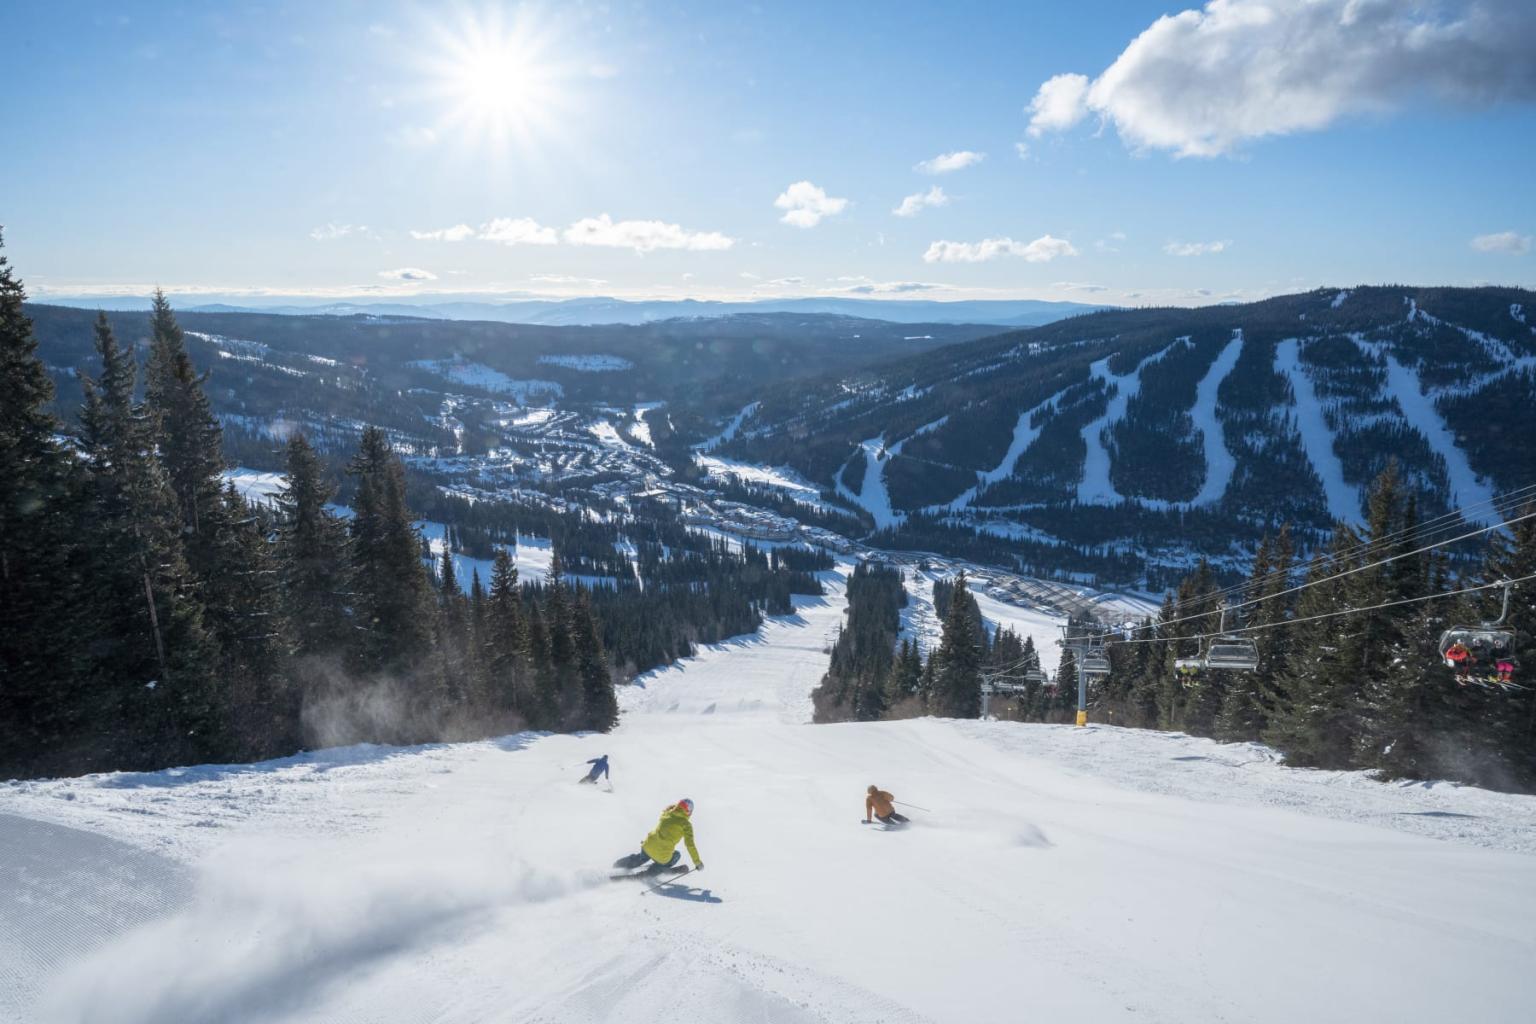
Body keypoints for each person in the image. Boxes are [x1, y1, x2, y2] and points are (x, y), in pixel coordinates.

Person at [613, 798, 703, 874]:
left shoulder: (667, 813)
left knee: (641, 858)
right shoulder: (686, 825)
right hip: (662, 855)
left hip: (648, 845)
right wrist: (697, 862)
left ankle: (617, 865)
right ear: (688, 811)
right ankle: (653, 871)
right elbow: (689, 845)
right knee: (676, 855)